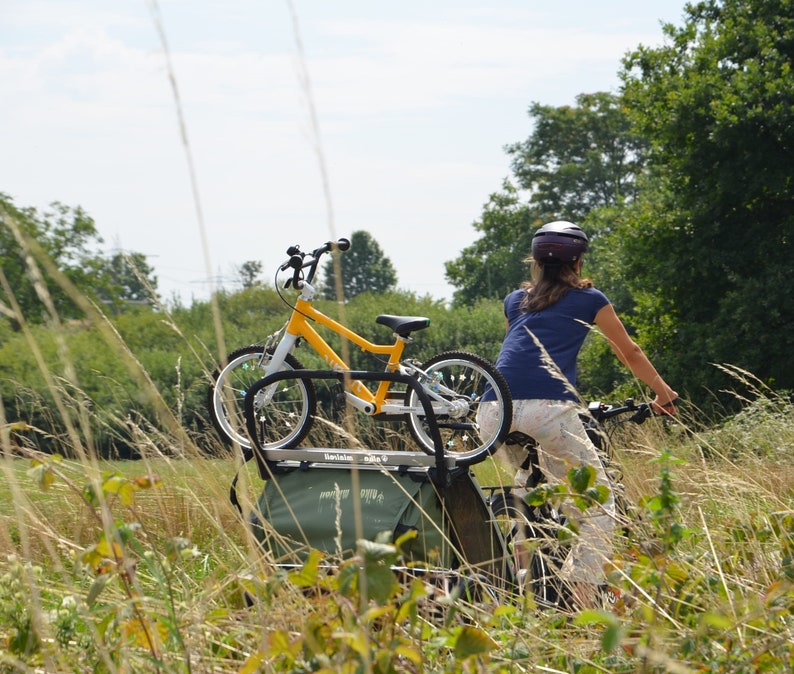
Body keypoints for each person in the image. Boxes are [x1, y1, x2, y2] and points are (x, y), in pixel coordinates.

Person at [478, 220, 678, 610]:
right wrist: (663, 393)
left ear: (535, 261)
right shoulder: (589, 299)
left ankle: (522, 584)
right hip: (547, 411)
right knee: (600, 507)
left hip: (492, 411)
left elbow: (517, 356)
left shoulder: (514, 300)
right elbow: (629, 351)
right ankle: (584, 598)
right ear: (579, 260)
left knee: (527, 484)